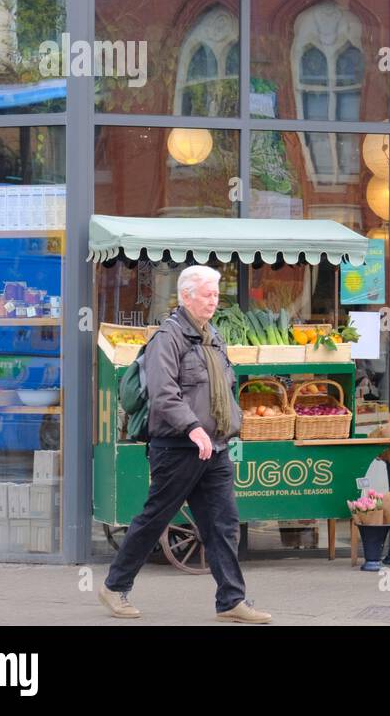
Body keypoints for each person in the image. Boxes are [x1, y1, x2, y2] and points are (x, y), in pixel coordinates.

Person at [98, 265, 271, 624]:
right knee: (155, 518)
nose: (213, 301)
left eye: (215, 294)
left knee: (224, 524)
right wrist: (193, 428)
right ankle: (115, 587)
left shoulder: (213, 337)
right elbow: (164, 394)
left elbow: (224, 386)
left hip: (215, 447)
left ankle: (231, 600)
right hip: (177, 449)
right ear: (186, 296)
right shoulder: (168, 338)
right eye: (207, 295)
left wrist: (227, 424)